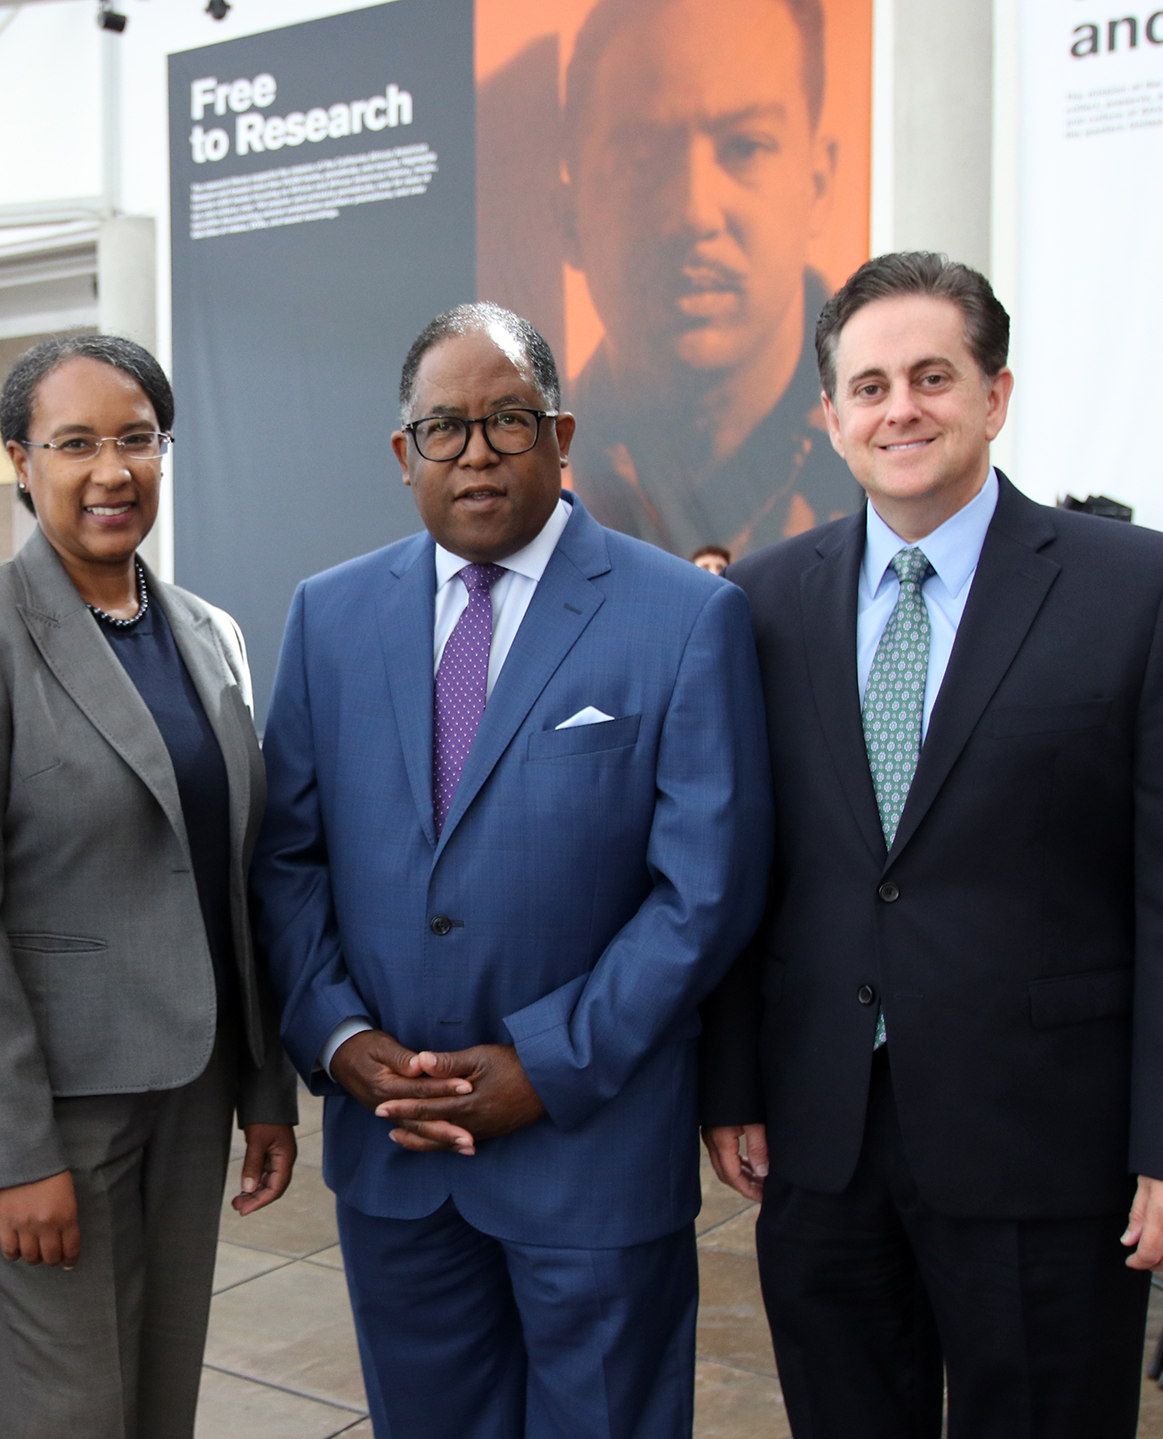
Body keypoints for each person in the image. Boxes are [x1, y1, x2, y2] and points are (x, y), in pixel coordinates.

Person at [699, 252, 1163, 1438]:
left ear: (993, 395)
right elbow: (746, 870)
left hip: (1047, 1147)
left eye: (930, 375)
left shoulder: (1137, 589)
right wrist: (734, 1083)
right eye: (867, 386)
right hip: (823, 1137)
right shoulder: (755, 604)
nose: (898, 408)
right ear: (830, 416)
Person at [253, 302, 771, 1437]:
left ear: (561, 433)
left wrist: (545, 1062)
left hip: (587, 1149)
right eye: (444, 427)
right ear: (404, 455)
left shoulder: (684, 616)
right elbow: (287, 856)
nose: (476, 451)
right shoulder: (329, 616)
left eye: (507, 420)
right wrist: (339, 1040)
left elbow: (703, 891)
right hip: (393, 1153)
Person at [0, 334, 298, 1439]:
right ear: (21, 460)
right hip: (50, 1106)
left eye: (134, 438)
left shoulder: (208, 634)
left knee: (159, 1398)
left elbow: (232, 877)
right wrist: (14, 1148)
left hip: (193, 1086)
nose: (109, 469)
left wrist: (263, 1087)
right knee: (66, 1411)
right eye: (74, 443)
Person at [561, 0, 859, 557]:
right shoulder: (527, 486)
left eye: (746, 146)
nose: (695, 213)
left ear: (817, 186)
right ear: (570, 218)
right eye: (642, 160)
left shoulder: (895, 462)